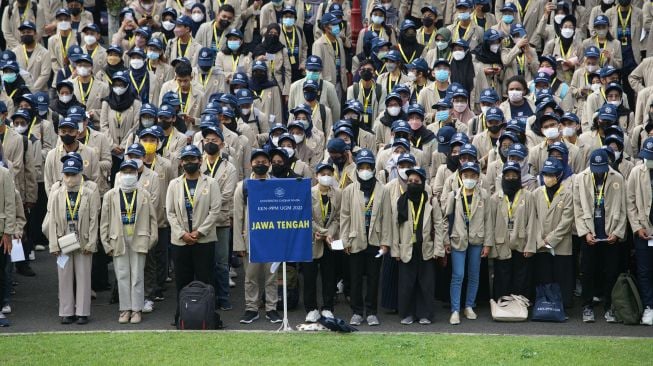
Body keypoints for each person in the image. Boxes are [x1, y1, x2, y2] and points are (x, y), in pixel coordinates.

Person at [166, 145, 222, 326]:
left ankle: (206, 315)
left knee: (206, 279)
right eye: (186, 160)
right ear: (181, 162)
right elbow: (170, 213)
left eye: (193, 159)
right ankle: (182, 315)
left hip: (204, 239)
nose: (190, 163)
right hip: (180, 241)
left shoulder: (211, 183)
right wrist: (182, 234)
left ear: (200, 161)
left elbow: (215, 211)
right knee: (182, 280)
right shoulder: (174, 184)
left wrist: (199, 232)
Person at [100, 159, 157, 324]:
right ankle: (125, 309)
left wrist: (151, 241)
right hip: (118, 237)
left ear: (137, 174)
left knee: (138, 275)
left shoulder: (144, 194)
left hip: (139, 238)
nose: (128, 175)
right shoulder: (111, 195)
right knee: (122, 275)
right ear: (119, 174)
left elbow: (153, 220)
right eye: (125, 172)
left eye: (131, 172)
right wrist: (106, 244)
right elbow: (104, 222)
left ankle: (137, 309)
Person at [340, 148, 392, 326]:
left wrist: (385, 243)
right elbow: (344, 217)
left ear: (373, 168)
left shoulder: (383, 190)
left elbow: (387, 218)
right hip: (355, 239)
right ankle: (356, 311)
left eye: (368, 167)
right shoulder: (349, 190)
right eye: (361, 166)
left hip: (375, 240)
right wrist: (345, 240)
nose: (365, 170)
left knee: (373, 278)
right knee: (354, 278)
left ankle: (371, 312)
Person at [574, 148, 627, 323]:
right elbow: (578, 208)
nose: (598, 173)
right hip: (591, 232)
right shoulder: (580, 178)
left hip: (610, 232)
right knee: (587, 271)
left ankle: (609, 307)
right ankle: (587, 306)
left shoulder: (617, 178)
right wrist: (584, 233)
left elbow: (623, 209)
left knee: (611, 272)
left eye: (602, 169)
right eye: (595, 169)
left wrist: (617, 233)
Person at [47, 152, 101, 325]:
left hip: (83, 238)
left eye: (73, 174)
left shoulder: (90, 192)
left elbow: (94, 220)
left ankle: (83, 312)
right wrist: (54, 244)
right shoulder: (56, 193)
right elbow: (52, 220)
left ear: (80, 173)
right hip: (64, 239)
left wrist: (92, 242)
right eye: (67, 174)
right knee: (64, 276)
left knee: (84, 276)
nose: (70, 178)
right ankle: (66, 311)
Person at [233, 149, 282, 324]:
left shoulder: (277, 184)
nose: (260, 164)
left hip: (272, 238)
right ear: (250, 164)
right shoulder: (243, 186)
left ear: (269, 164)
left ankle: (271, 309)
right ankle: (251, 309)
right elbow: (237, 217)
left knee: (271, 277)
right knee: (250, 277)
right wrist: (239, 244)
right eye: (257, 162)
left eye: (264, 161)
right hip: (250, 240)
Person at [393, 167, 445, 325]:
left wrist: (438, 249)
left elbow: (439, 225)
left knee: (426, 283)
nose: (413, 184)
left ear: (423, 183)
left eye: (416, 181)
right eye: (410, 181)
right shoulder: (401, 200)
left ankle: (425, 314)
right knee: (406, 284)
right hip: (406, 247)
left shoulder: (431, 201)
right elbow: (395, 227)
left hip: (425, 248)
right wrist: (395, 249)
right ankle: (407, 314)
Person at [444, 161, 493, 325]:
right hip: (458, 238)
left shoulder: (485, 195)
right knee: (458, 275)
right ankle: (455, 310)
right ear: (460, 177)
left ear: (478, 177)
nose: (469, 179)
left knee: (474, 275)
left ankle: (469, 306)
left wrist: (487, 244)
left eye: (473, 176)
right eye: (466, 176)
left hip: (477, 239)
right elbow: (446, 219)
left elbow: (489, 221)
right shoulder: (454, 195)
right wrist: (446, 240)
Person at [490, 161, 537, 299]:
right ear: (503, 177)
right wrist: (492, 248)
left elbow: (532, 222)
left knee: (521, 277)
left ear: (519, 176)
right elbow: (491, 225)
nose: (511, 178)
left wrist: (530, 246)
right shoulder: (495, 198)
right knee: (502, 277)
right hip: (501, 243)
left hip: (521, 243)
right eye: (508, 175)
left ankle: (520, 305)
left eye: (514, 175)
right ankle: (502, 306)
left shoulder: (528, 196)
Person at [533, 157, 575, 307]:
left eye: (551, 175)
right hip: (541, 244)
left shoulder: (568, 194)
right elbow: (534, 218)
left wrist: (550, 239)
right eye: (545, 174)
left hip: (561, 244)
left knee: (562, 276)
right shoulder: (537, 193)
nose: (548, 178)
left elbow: (567, 221)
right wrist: (540, 239)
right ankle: (544, 305)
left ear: (559, 175)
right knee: (544, 276)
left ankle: (562, 306)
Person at [304, 163, 341, 322]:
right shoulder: (308, 193)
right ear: (316, 176)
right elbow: (306, 217)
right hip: (312, 240)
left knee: (329, 276)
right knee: (309, 277)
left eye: (329, 173)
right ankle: (311, 308)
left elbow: (338, 217)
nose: (326, 176)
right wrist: (320, 232)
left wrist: (329, 234)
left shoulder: (338, 194)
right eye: (322, 173)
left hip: (330, 241)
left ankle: (327, 307)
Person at [626, 137, 653, 325]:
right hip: (644, 232)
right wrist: (637, 227)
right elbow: (630, 202)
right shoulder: (636, 172)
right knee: (644, 271)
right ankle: (649, 306)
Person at [0, 152, 16, 327]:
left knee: (0, 270)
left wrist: (8, 232)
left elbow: (10, 205)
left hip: (0, 232)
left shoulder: (4, 173)